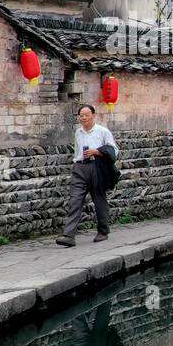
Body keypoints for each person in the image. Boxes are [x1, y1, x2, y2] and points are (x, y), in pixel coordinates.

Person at [57, 104, 119, 246]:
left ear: (93, 115)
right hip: (80, 168)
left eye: (87, 115)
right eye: (81, 115)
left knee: (99, 200)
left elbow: (114, 151)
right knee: (75, 201)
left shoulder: (102, 132)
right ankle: (69, 235)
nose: (84, 117)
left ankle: (103, 231)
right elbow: (77, 152)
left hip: (96, 168)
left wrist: (97, 151)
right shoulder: (78, 132)